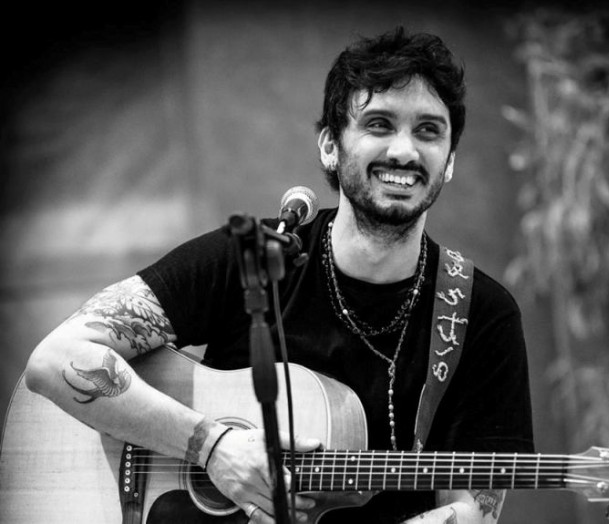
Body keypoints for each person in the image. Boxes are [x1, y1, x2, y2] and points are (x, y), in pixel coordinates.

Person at [25, 27, 533, 523]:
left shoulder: (478, 314)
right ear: (330, 146)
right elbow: (55, 359)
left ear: (449, 161)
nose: (404, 151)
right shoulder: (252, 257)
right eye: (379, 124)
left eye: (428, 130)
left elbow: (474, 507)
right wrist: (212, 447)